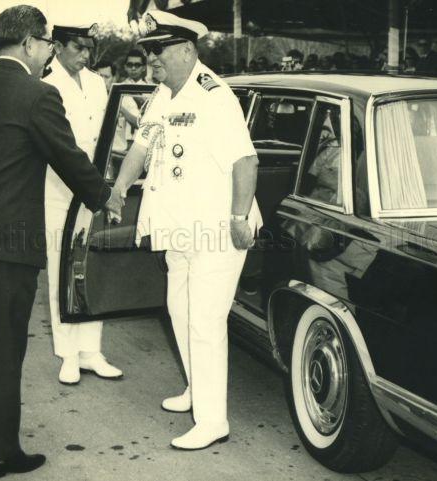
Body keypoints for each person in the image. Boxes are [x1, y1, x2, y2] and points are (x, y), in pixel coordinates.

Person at [0, 5, 123, 477]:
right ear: (28, 43)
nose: (49, 53)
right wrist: (105, 197)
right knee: (1, 350)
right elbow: (68, 156)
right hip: (5, 246)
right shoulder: (38, 94)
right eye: (46, 44)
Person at [117, 10, 261, 450]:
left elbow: (246, 161)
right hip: (178, 225)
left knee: (205, 321)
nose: (151, 60)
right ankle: (197, 389)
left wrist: (239, 218)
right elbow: (142, 146)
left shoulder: (214, 96)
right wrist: (118, 188)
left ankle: (212, 420)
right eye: (147, 52)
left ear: (185, 50)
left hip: (216, 227)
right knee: (178, 309)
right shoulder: (163, 94)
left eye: (157, 51)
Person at [43, 23, 124, 385]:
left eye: (89, 49)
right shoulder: (46, 83)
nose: (86, 55)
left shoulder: (94, 81)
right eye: (78, 47)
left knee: (92, 265)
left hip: (93, 186)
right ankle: (68, 354)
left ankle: (91, 350)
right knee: (62, 268)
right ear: (57, 47)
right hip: (58, 189)